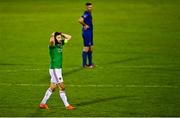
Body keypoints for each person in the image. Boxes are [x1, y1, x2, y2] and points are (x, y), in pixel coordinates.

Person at [39, 32, 75, 110]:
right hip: (55, 69)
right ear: (55, 38)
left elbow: (69, 37)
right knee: (62, 87)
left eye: (60, 37)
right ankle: (67, 105)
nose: (60, 39)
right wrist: (52, 35)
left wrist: (61, 34)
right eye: (58, 38)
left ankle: (42, 104)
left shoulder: (61, 44)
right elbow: (51, 41)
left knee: (53, 87)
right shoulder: (52, 46)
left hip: (58, 69)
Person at [79, 2, 95, 68]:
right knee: (86, 48)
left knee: (91, 48)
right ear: (86, 7)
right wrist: (85, 25)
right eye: (89, 7)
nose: (90, 8)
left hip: (90, 32)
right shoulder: (86, 13)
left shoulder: (89, 13)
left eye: (91, 7)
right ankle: (84, 65)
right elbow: (80, 20)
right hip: (87, 33)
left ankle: (90, 63)